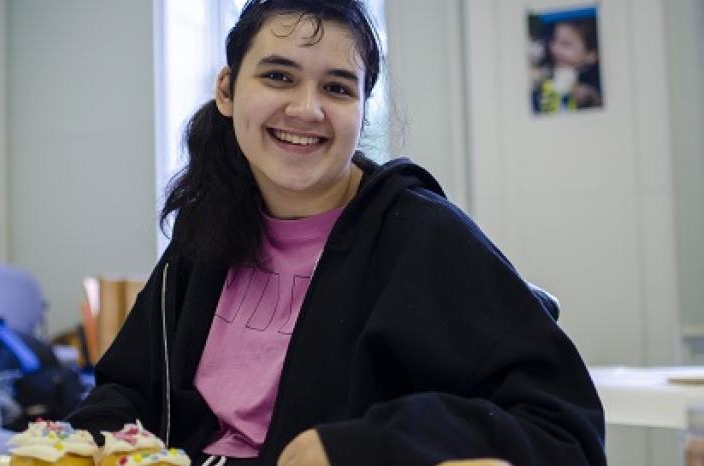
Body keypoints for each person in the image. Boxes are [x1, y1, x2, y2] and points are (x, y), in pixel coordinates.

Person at [67, 1, 606, 465]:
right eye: (278, 76)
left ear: (361, 109)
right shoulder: (205, 229)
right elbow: (129, 389)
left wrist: (376, 445)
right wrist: (92, 438)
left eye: (337, 87)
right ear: (228, 92)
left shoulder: (422, 236)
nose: (306, 108)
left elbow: (563, 430)